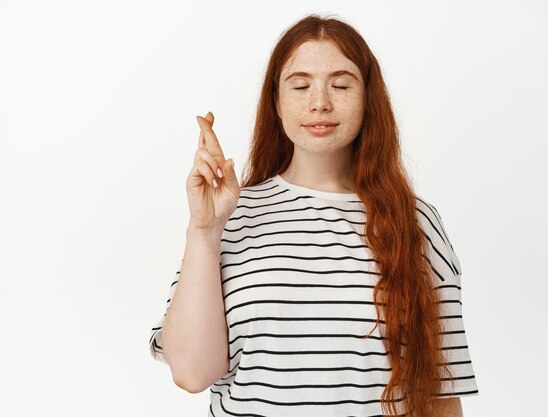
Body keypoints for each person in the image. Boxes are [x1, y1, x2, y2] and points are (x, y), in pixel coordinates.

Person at [149, 13, 478, 417]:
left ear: (367, 97)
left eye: (340, 84)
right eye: (301, 85)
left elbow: (439, 396)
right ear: (276, 101)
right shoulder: (229, 217)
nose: (320, 101)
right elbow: (192, 372)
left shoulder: (416, 224)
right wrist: (204, 231)